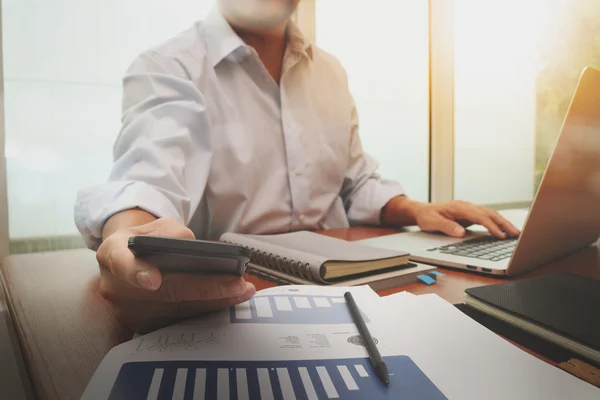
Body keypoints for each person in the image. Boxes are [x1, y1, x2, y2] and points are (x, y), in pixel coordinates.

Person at [75, 0, 519, 333]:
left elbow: (356, 181)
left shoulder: (330, 70)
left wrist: (417, 209)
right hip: (244, 297)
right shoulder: (168, 66)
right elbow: (147, 177)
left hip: (360, 286)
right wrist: (131, 237)